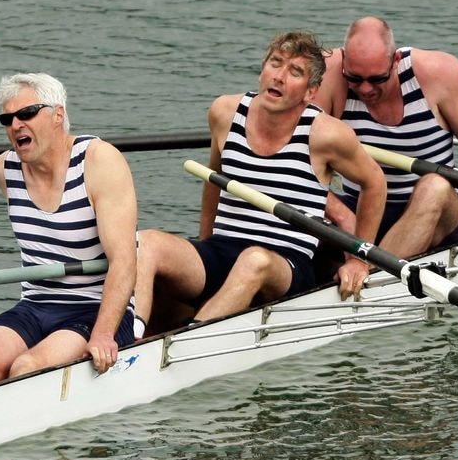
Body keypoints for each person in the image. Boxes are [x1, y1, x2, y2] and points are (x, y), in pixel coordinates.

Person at [133, 31, 386, 335]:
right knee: (146, 241)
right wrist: (204, 243)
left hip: (285, 263)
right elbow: (214, 180)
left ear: (310, 92)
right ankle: (130, 336)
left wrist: (360, 260)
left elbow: (375, 183)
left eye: (294, 72)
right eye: (275, 63)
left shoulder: (327, 135)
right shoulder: (225, 112)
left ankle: (190, 337)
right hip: (223, 249)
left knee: (254, 260)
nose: (279, 76)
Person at [0, 73, 137, 400]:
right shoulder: (5, 169)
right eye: (8, 118)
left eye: (27, 114)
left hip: (94, 309)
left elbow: (125, 262)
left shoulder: (99, 161)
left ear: (58, 115)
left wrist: (102, 334)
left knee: (27, 367)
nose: (16, 125)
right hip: (35, 305)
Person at [314, 16, 458, 259]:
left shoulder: (438, 73)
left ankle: (371, 274)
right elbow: (302, 156)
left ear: (395, 61)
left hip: (433, 210)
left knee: (434, 185)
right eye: (354, 78)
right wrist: (342, 216)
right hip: (359, 209)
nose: (365, 89)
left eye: (376, 79)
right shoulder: (329, 73)